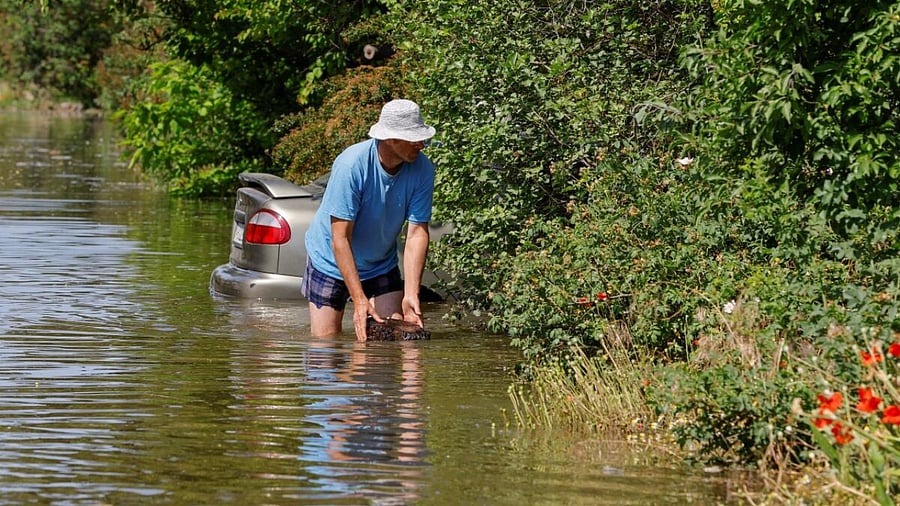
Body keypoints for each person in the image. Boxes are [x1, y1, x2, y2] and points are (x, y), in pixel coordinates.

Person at [302, 99, 436, 341]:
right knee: (326, 346)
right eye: (415, 139)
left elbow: (416, 233)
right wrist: (360, 299)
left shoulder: (423, 169)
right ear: (391, 139)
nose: (422, 145)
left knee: (391, 341)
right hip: (330, 261)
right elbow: (340, 238)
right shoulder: (351, 165)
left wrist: (411, 293)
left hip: (380, 263)